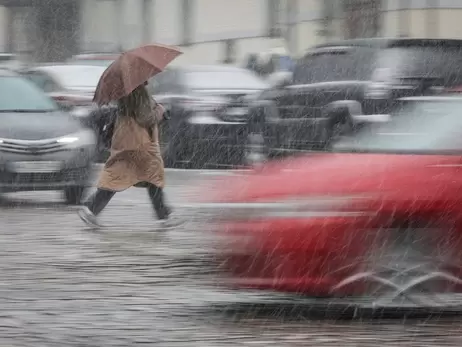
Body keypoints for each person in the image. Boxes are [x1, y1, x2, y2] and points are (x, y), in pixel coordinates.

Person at [78, 82, 174, 228]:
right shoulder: (137, 90)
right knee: (151, 175)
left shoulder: (125, 88)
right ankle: (163, 217)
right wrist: (159, 112)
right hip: (138, 141)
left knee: (124, 175)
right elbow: (145, 118)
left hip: (125, 137)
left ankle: (91, 208)